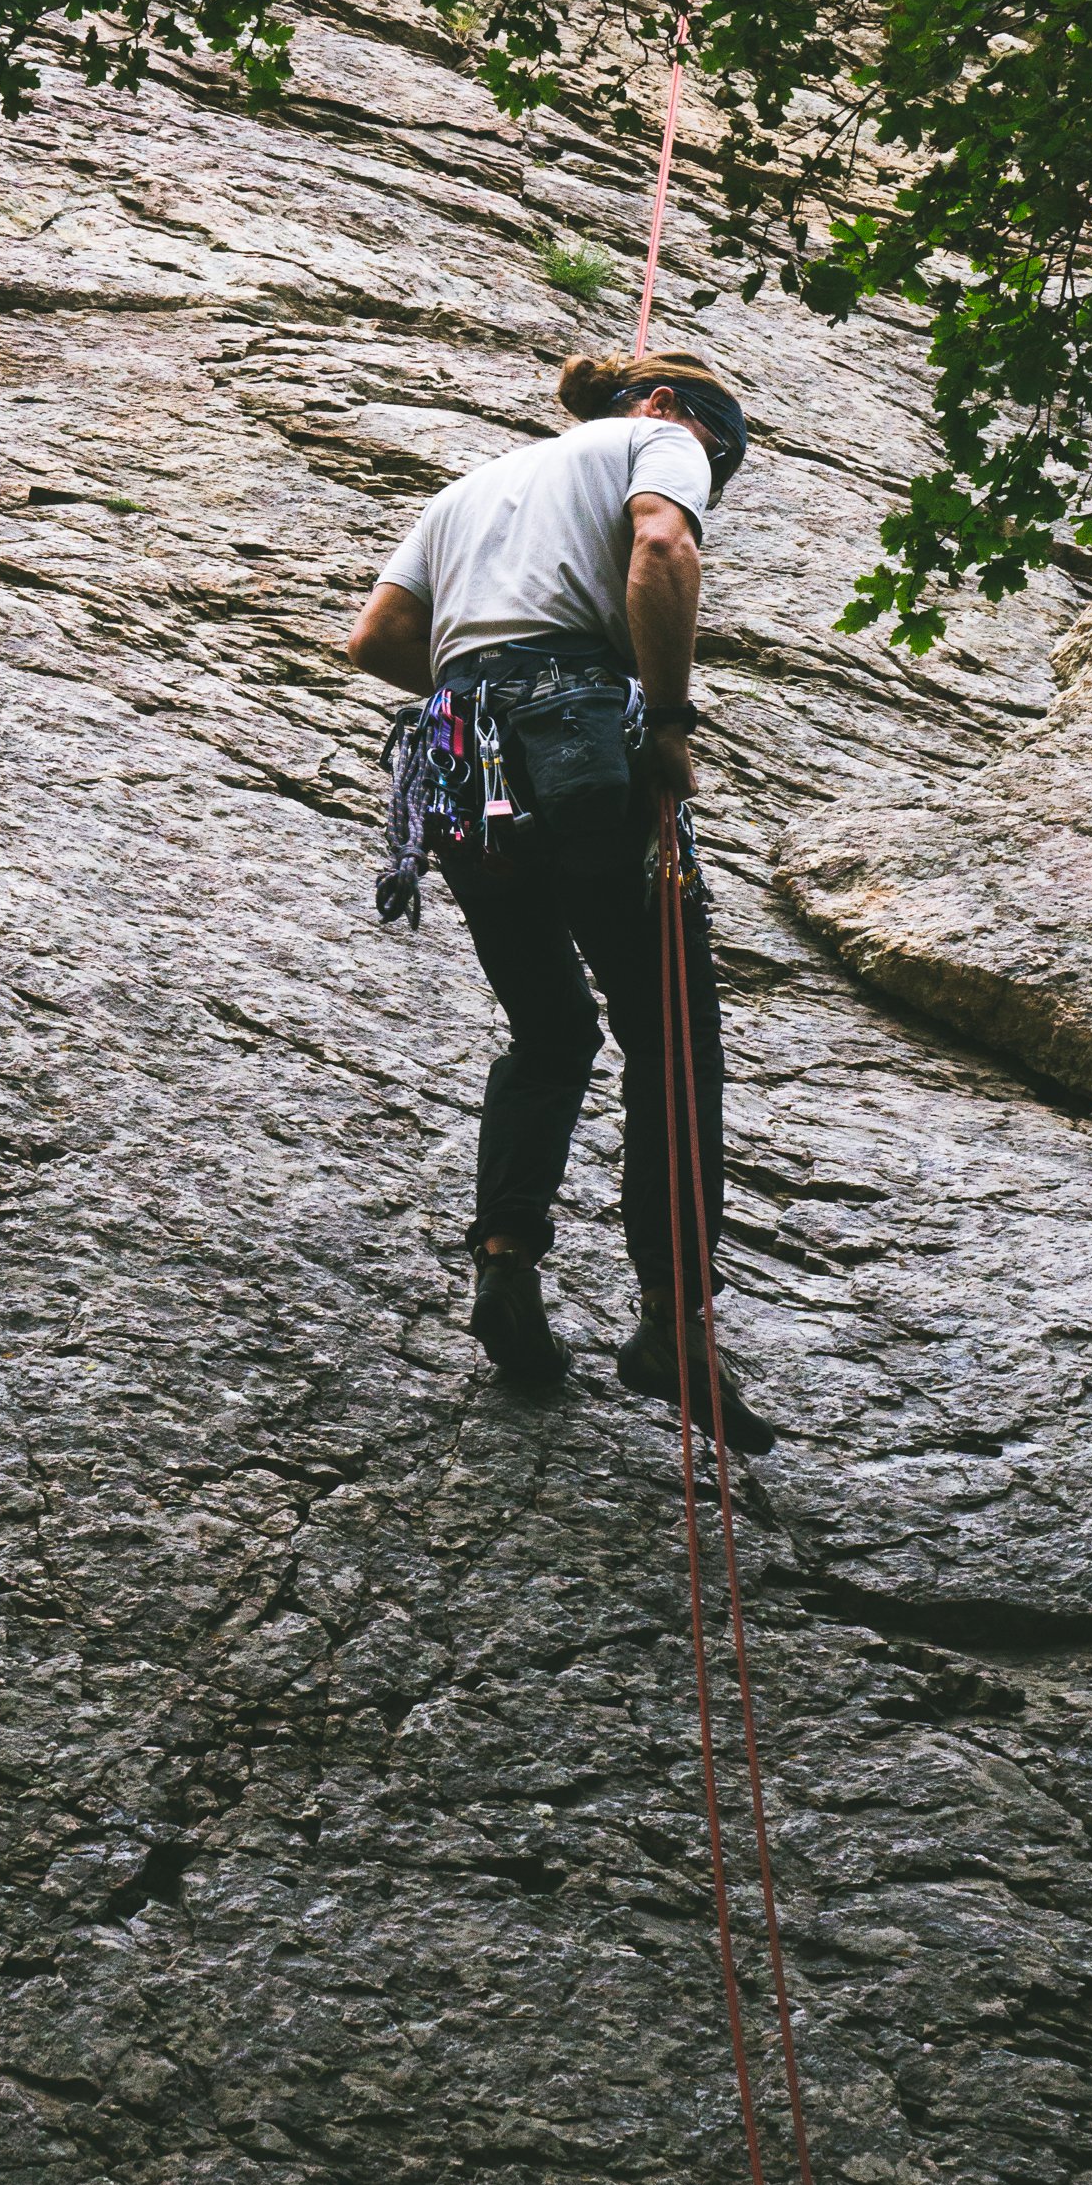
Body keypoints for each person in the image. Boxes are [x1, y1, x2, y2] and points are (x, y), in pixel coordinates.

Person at [345, 347, 776, 1454]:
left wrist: (490, 691)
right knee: (669, 1038)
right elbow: (661, 544)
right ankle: (670, 1324)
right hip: (579, 735)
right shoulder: (658, 436)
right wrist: (666, 722)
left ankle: (504, 1267)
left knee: (549, 1033)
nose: (704, 480)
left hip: (459, 766)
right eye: (714, 461)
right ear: (676, 409)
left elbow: (379, 641)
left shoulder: (462, 493)